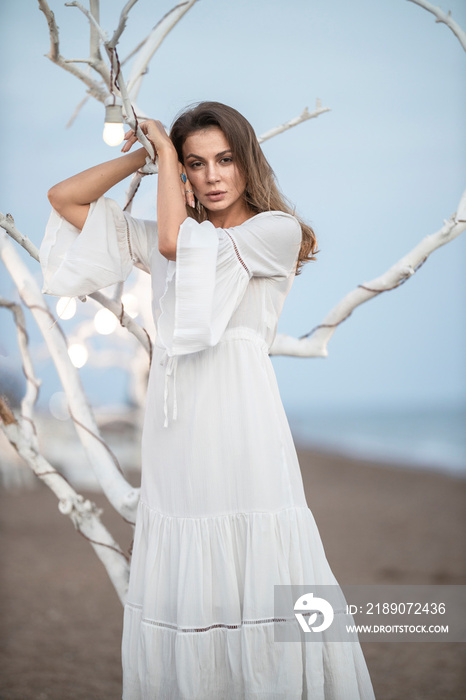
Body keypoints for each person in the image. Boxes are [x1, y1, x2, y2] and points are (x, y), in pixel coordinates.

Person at [40, 102, 375, 699]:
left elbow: (174, 243)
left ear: (247, 162)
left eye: (224, 160)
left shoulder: (273, 232)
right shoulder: (181, 235)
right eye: (196, 164)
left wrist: (166, 154)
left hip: (242, 428)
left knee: (261, 577)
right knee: (188, 581)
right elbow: (64, 200)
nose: (213, 176)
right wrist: (145, 156)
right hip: (175, 436)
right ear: (184, 176)